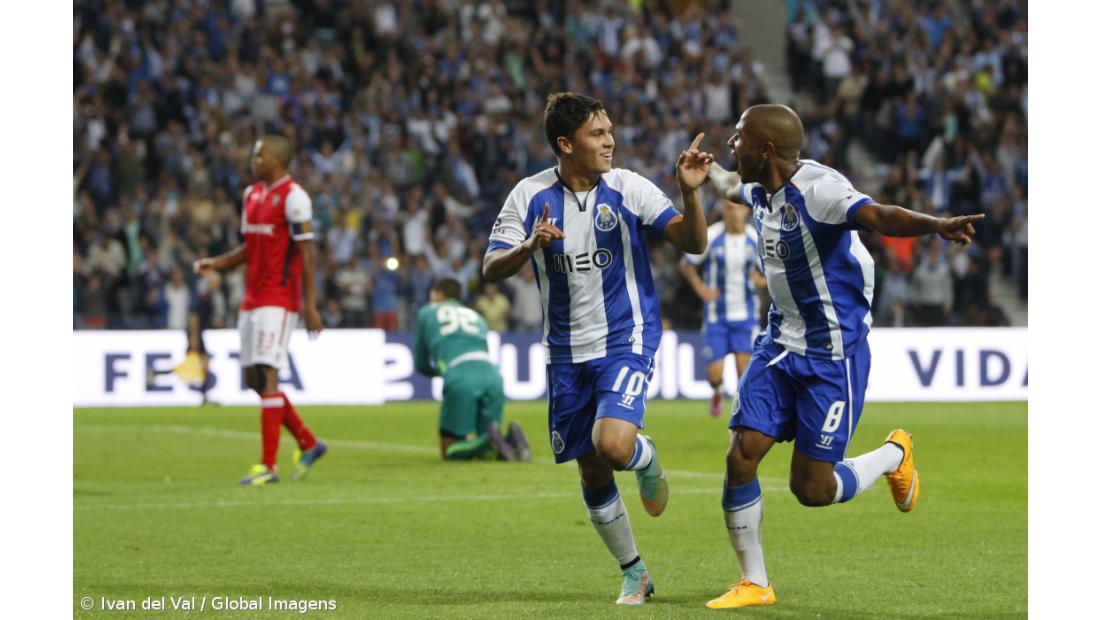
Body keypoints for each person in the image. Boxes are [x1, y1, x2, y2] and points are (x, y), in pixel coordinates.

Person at [701, 104, 983, 609]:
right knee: (741, 455)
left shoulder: (820, 191)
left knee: (811, 489)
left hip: (832, 355)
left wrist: (937, 224)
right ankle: (755, 583)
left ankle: (895, 454)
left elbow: (878, 215)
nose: (730, 145)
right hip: (779, 344)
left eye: (738, 138)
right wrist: (708, 173)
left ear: (765, 148)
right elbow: (727, 187)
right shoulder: (762, 190)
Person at [482, 92, 712, 605]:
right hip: (564, 351)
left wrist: (690, 195)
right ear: (566, 143)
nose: (610, 141)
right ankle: (635, 571)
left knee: (613, 444)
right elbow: (489, 267)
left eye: (610, 131)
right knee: (591, 467)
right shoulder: (529, 195)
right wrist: (528, 247)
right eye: (597, 133)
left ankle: (645, 456)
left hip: (626, 337)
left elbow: (691, 242)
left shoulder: (628, 187)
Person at [194, 135, 328, 486]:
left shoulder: (295, 198)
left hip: (278, 298)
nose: (254, 159)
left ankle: (268, 466)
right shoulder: (251, 195)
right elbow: (250, 247)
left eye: (260, 154)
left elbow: (306, 253)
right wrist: (217, 264)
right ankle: (308, 442)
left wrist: (308, 305)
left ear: (278, 159)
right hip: (251, 299)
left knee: (269, 375)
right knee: (254, 381)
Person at [413, 277, 530, 462]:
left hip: (460, 374)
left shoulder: (427, 312)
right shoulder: (475, 316)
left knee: (449, 451)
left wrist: (443, 372)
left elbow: (420, 364)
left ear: (439, 294)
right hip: (492, 374)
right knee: (485, 456)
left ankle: (488, 439)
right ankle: (509, 439)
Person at [679, 198, 766, 417]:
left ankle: (741, 418)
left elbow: (775, 270)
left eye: (738, 208)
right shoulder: (712, 235)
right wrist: (701, 290)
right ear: (723, 211)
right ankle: (717, 392)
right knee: (715, 375)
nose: (735, 213)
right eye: (729, 208)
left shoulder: (755, 239)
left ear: (746, 211)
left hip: (745, 315)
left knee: (743, 373)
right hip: (716, 316)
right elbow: (687, 264)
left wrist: (762, 281)